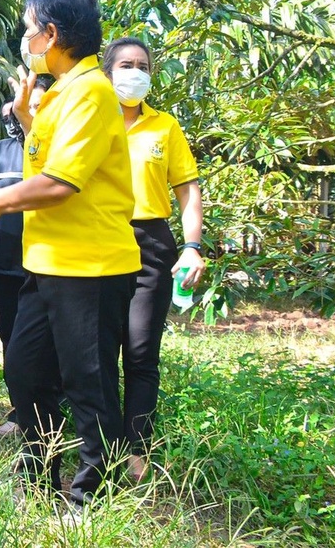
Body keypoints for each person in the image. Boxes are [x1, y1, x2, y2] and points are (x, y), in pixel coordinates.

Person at [0, 0, 140, 507]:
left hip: (89, 265)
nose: (25, 40)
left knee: (87, 383)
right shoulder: (63, 92)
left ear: (52, 34)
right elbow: (46, 164)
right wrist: (28, 120)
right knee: (24, 370)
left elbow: (60, 184)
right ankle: (39, 477)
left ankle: (93, 498)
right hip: (48, 264)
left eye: (29, 29)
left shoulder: (90, 91)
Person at [103, 36, 205, 483]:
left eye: (142, 64)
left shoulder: (165, 126)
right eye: (125, 63)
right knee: (99, 350)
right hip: (99, 240)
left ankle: (136, 449)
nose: (134, 71)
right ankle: (100, 443)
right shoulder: (90, 117)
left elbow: (186, 188)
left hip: (151, 243)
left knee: (141, 351)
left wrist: (192, 245)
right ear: (108, 70)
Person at [0, 87, 48, 436]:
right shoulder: (0, 152)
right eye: (21, 104)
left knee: (50, 342)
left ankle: (52, 411)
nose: (26, 109)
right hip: (5, 261)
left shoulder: (56, 149)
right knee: (12, 340)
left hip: (47, 261)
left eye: (35, 103)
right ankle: (20, 413)